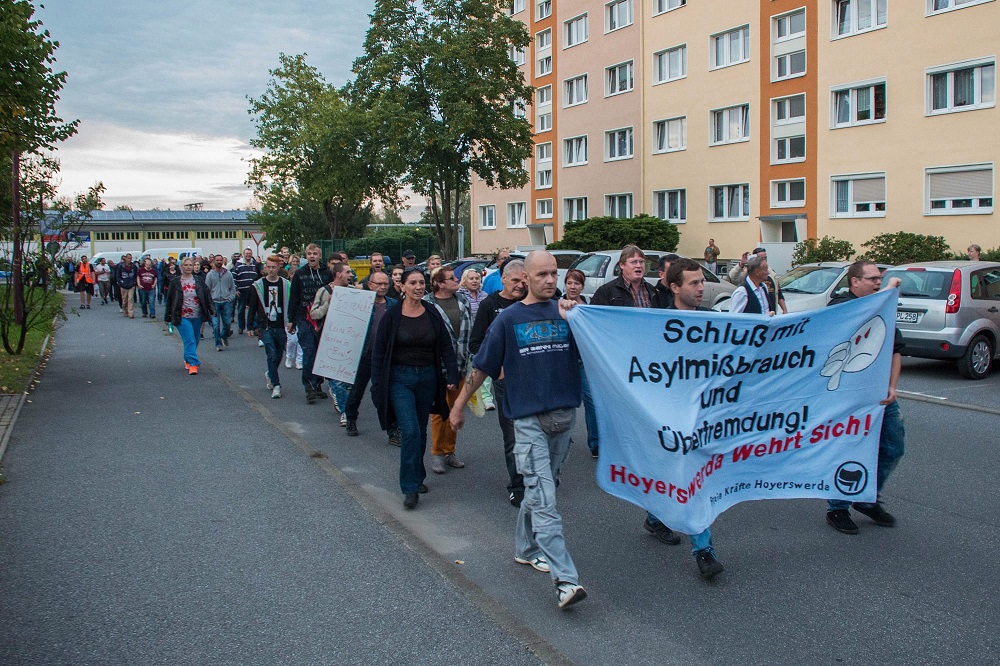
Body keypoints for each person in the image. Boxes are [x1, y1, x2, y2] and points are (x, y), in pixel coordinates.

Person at [450, 251, 587, 610]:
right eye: (542, 274)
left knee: (543, 487)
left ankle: (525, 548)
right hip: (527, 421)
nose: (550, 280)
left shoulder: (570, 313)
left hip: (564, 417)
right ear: (525, 277)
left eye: (554, 273)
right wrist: (458, 405)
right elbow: (481, 366)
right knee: (545, 498)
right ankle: (566, 581)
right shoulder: (508, 319)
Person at [652, 258, 725, 579]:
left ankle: (700, 547)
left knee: (696, 479)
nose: (701, 288)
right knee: (676, 473)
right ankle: (693, 541)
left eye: (702, 282)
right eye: (694, 283)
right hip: (670, 418)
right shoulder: (658, 324)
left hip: (705, 419)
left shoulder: (715, 320)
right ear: (674, 287)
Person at [825, 260, 905, 534]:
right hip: (849, 397)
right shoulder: (841, 305)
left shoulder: (884, 308)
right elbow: (851, 321)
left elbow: (896, 350)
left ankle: (866, 496)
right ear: (854, 281)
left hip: (880, 396)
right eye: (871, 278)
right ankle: (838, 507)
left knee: (894, 448)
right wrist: (888, 294)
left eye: (880, 279)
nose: (877, 282)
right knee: (848, 448)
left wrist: (892, 386)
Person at [371, 267, 459, 510]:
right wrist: (377, 385)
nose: (419, 287)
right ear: (402, 286)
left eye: (422, 283)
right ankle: (409, 488)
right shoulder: (392, 315)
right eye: (413, 283)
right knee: (409, 430)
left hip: (427, 378)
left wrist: (452, 373)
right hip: (400, 379)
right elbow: (379, 353)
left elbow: (445, 347)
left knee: (419, 430)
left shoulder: (431, 313)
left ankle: (417, 476)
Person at [468, 260, 528, 506]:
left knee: (540, 433)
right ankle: (517, 486)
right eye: (515, 281)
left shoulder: (532, 301)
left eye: (524, 280)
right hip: (507, 383)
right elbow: (476, 344)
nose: (520, 285)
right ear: (502, 279)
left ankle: (539, 481)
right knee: (513, 436)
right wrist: (498, 368)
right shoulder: (489, 305)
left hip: (534, 379)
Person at [424, 265, 473, 474]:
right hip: (437, 367)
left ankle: (449, 450)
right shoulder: (428, 304)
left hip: (460, 364)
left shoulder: (463, 301)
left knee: (455, 409)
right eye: (452, 278)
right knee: (438, 412)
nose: (457, 281)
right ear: (440, 284)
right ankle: (437, 453)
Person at [344, 270, 397, 436]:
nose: (382, 287)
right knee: (356, 390)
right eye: (378, 284)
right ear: (369, 284)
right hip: (364, 355)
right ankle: (351, 419)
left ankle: (392, 429)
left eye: (385, 284)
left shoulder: (394, 305)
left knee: (382, 393)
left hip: (384, 357)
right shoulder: (360, 303)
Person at [287, 244, 333, 404]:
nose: (312, 256)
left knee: (320, 352)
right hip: (303, 317)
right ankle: (308, 387)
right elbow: (293, 298)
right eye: (309, 254)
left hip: (322, 318)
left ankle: (317, 384)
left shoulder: (327, 274)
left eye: (315, 253)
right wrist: (291, 320)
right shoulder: (300, 274)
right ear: (306, 256)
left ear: (320, 256)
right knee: (309, 351)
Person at [310, 261, 353, 420]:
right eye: (348, 272)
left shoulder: (354, 291)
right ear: (339, 274)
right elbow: (314, 314)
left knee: (349, 381)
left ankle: (341, 398)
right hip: (330, 341)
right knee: (338, 380)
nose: (351, 275)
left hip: (350, 341)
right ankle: (345, 411)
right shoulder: (324, 291)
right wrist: (328, 305)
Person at [562, 268, 598, 458]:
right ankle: (561, 437)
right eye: (570, 282)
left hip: (584, 358)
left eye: (577, 283)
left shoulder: (589, 304)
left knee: (591, 399)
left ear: (582, 286)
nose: (573, 286)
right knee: (563, 402)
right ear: (565, 284)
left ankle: (595, 442)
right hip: (563, 359)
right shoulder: (558, 304)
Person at [251, 255, 291, 399]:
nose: (272, 270)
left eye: (274, 267)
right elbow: (253, 306)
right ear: (265, 268)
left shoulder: (285, 284)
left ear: (279, 267)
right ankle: (276, 385)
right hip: (266, 325)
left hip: (280, 324)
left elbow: (291, 303)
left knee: (279, 353)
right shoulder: (258, 285)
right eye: (269, 267)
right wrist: (251, 325)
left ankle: (270, 372)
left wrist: (291, 320)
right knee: (271, 353)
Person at [166, 257, 214, 375]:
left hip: (197, 314)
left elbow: (206, 295)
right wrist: (167, 317)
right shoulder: (175, 282)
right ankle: (194, 363)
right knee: (189, 339)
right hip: (181, 315)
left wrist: (212, 309)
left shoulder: (198, 280)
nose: (188, 267)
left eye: (190, 265)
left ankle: (187, 358)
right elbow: (170, 300)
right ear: (181, 267)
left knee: (196, 339)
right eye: (186, 265)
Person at [458, 268, 494, 410]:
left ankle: (486, 397)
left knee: (483, 365)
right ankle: (466, 396)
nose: (474, 281)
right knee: (466, 367)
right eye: (471, 278)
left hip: (482, 337)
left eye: (477, 278)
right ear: (464, 281)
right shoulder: (459, 296)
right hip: (464, 336)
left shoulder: (485, 296)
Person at [591, 245, 657, 308]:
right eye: (634, 262)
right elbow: (594, 316)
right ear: (622, 265)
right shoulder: (606, 291)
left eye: (641, 262)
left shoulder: (652, 290)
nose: (639, 265)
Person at [205, 254, 237, 351]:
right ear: (214, 262)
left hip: (226, 301)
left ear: (223, 261)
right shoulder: (210, 275)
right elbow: (207, 289)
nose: (219, 262)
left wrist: (230, 298)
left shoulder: (228, 274)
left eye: (220, 260)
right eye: (217, 260)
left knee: (227, 323)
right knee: (215, 324)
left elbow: (232, 287)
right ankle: (218, 344)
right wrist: (209, 301)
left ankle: (224, 336)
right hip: (214, 302)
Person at [233, 247, 261, 334]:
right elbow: (233, 277)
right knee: (241, 310)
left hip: (253, 291)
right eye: (246, 253)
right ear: (244, 254)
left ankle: (254, 326)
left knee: (254, 309)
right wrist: (236, 289)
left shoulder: (255, 264)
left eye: (250, 253)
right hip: (242, 290)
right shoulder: (238, 265)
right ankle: (241, 327)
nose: (248, 255)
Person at [116, 254, 138, 318]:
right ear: (125, 258)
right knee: (124, 299)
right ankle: (125, 310)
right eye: (128, 258)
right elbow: (118, 275)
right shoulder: (120, 266)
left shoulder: (133, 266)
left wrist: (134, 282)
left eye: (131, 258)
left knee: (130, 298)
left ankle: (131, 313)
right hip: (123, 284)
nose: (130, 260)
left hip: (131, 284)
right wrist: (120, 282)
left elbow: (136, 275)